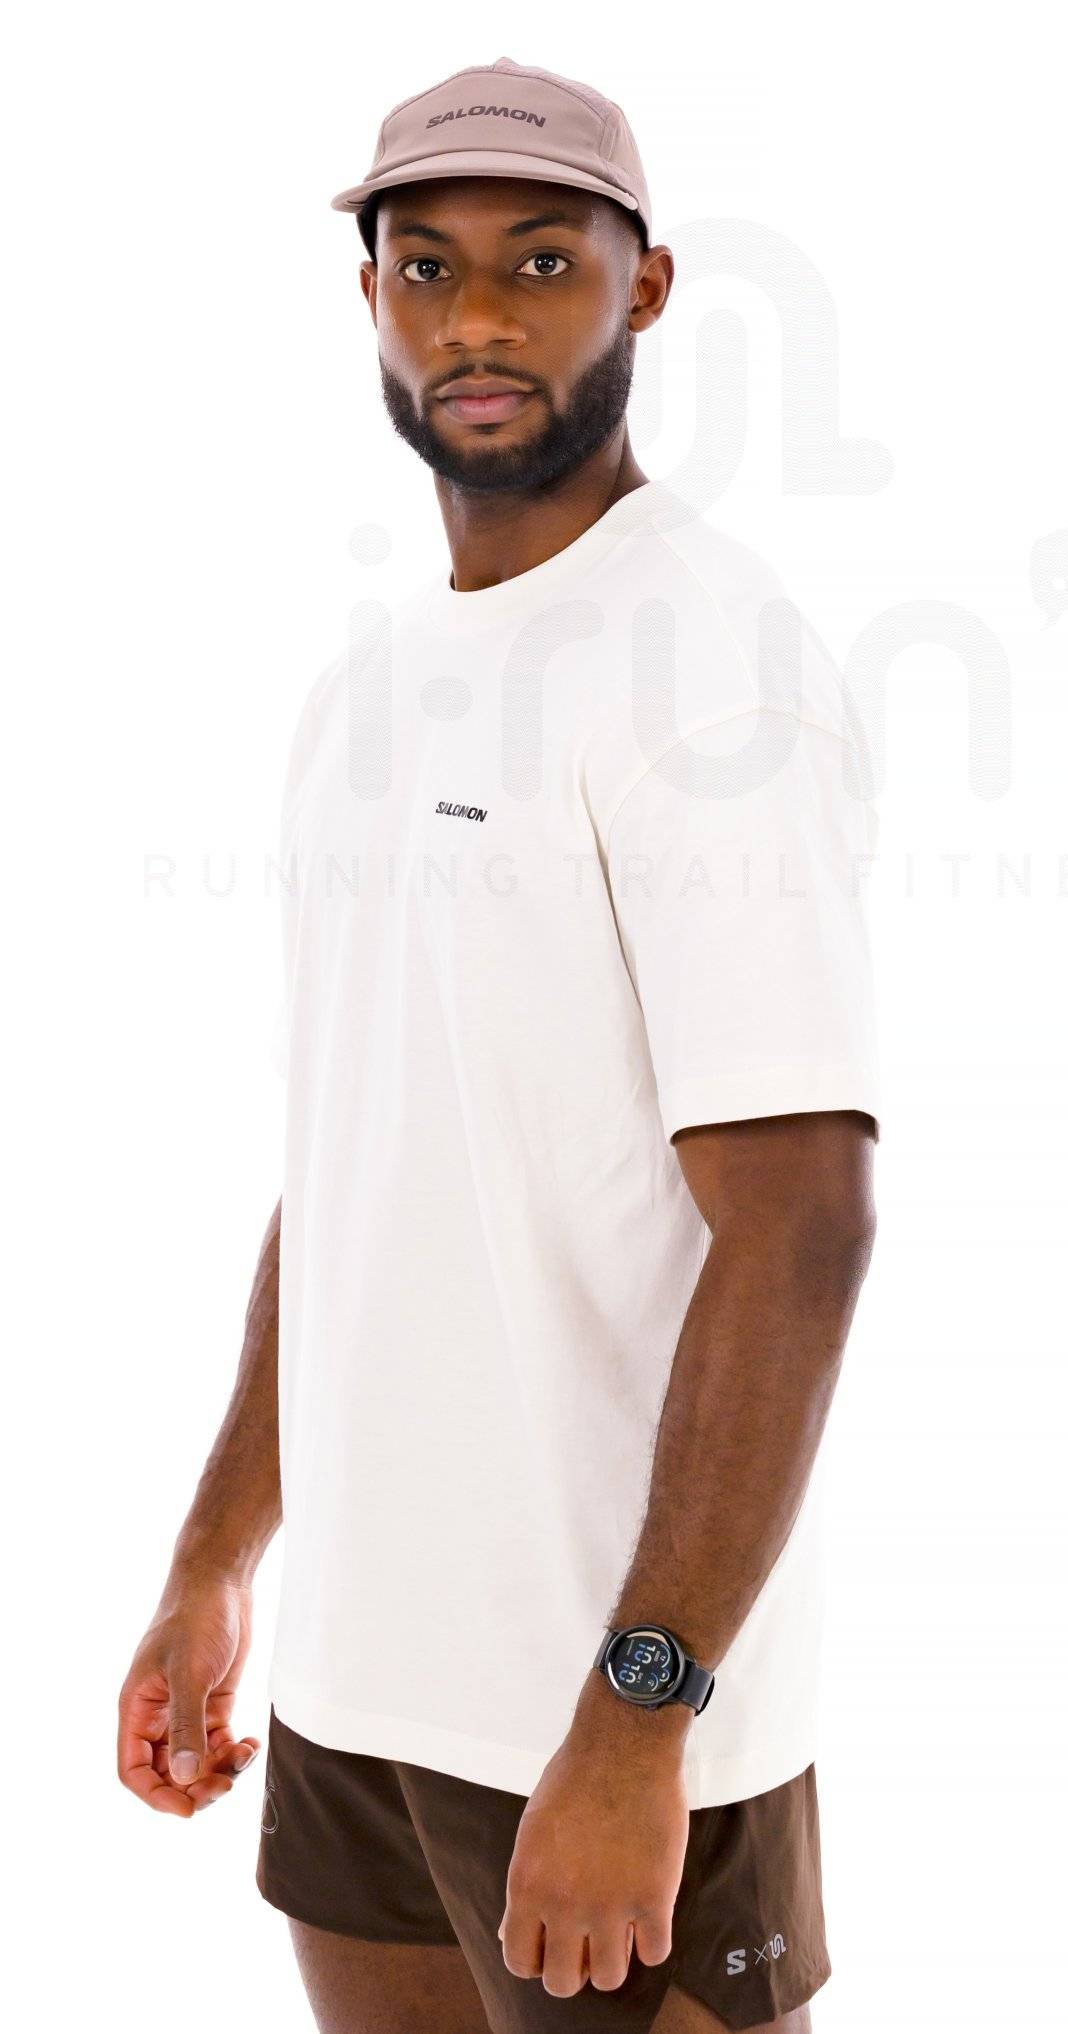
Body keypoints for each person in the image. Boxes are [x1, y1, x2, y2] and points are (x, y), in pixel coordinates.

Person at [117, 55, 881, 2034]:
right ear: (367, 297)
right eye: (426, 265)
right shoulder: (366, 696)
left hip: (609, 1724)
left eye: (543, 261)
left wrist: (642, 1713)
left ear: (648, 288)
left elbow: (801, 1225)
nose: (477, 317)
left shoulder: (707, 671)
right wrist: (217, 1554)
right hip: (361, 1698)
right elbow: (358, 1170)